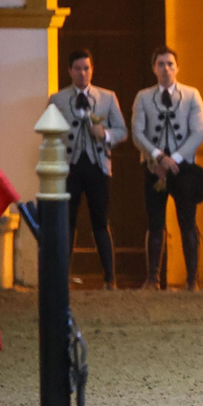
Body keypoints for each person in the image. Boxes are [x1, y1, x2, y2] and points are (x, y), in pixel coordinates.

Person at [47, 49, 127, 289]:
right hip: (69, 167)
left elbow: (122, 131)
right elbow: (48, 134)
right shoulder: (57, 99)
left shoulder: (107, 97)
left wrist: (105, 133)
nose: (83, 73)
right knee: (67, 222)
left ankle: (110, 278)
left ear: (92, 70)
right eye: (78, 68)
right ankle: (62, 277)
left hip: (97, 166)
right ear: (70, 70)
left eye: (87, 68)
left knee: (100, 222)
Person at [131, 46, 203, 290]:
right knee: (155, 222)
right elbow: (137, 132)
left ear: (177, 67)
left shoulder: (192, 95)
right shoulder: (143, 97)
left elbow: (198, 133)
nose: (166, 68)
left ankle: (191, 280)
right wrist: (157, 157)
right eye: (161, 64)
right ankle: (153, 278)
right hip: (154, 168)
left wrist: (173, 159)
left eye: (170, 64)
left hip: (182, 169)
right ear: (154, 68)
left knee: (187, 222)